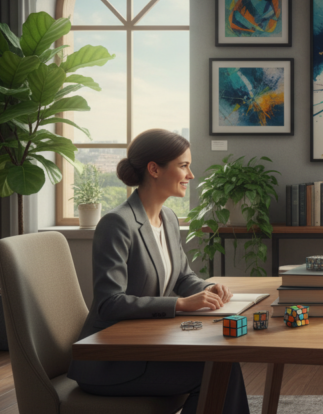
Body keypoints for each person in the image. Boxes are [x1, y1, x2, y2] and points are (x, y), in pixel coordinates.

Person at [67, 129, 250, 414]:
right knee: (216, 371)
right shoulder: (117, 223)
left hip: (148, 347)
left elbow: (181, 276)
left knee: (222, 364)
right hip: (111, 362)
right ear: (154, 169)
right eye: (184, 166)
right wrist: (180, 304)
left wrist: (206, 288)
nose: (191, 175)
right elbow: (108, 303)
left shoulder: (168, 218)